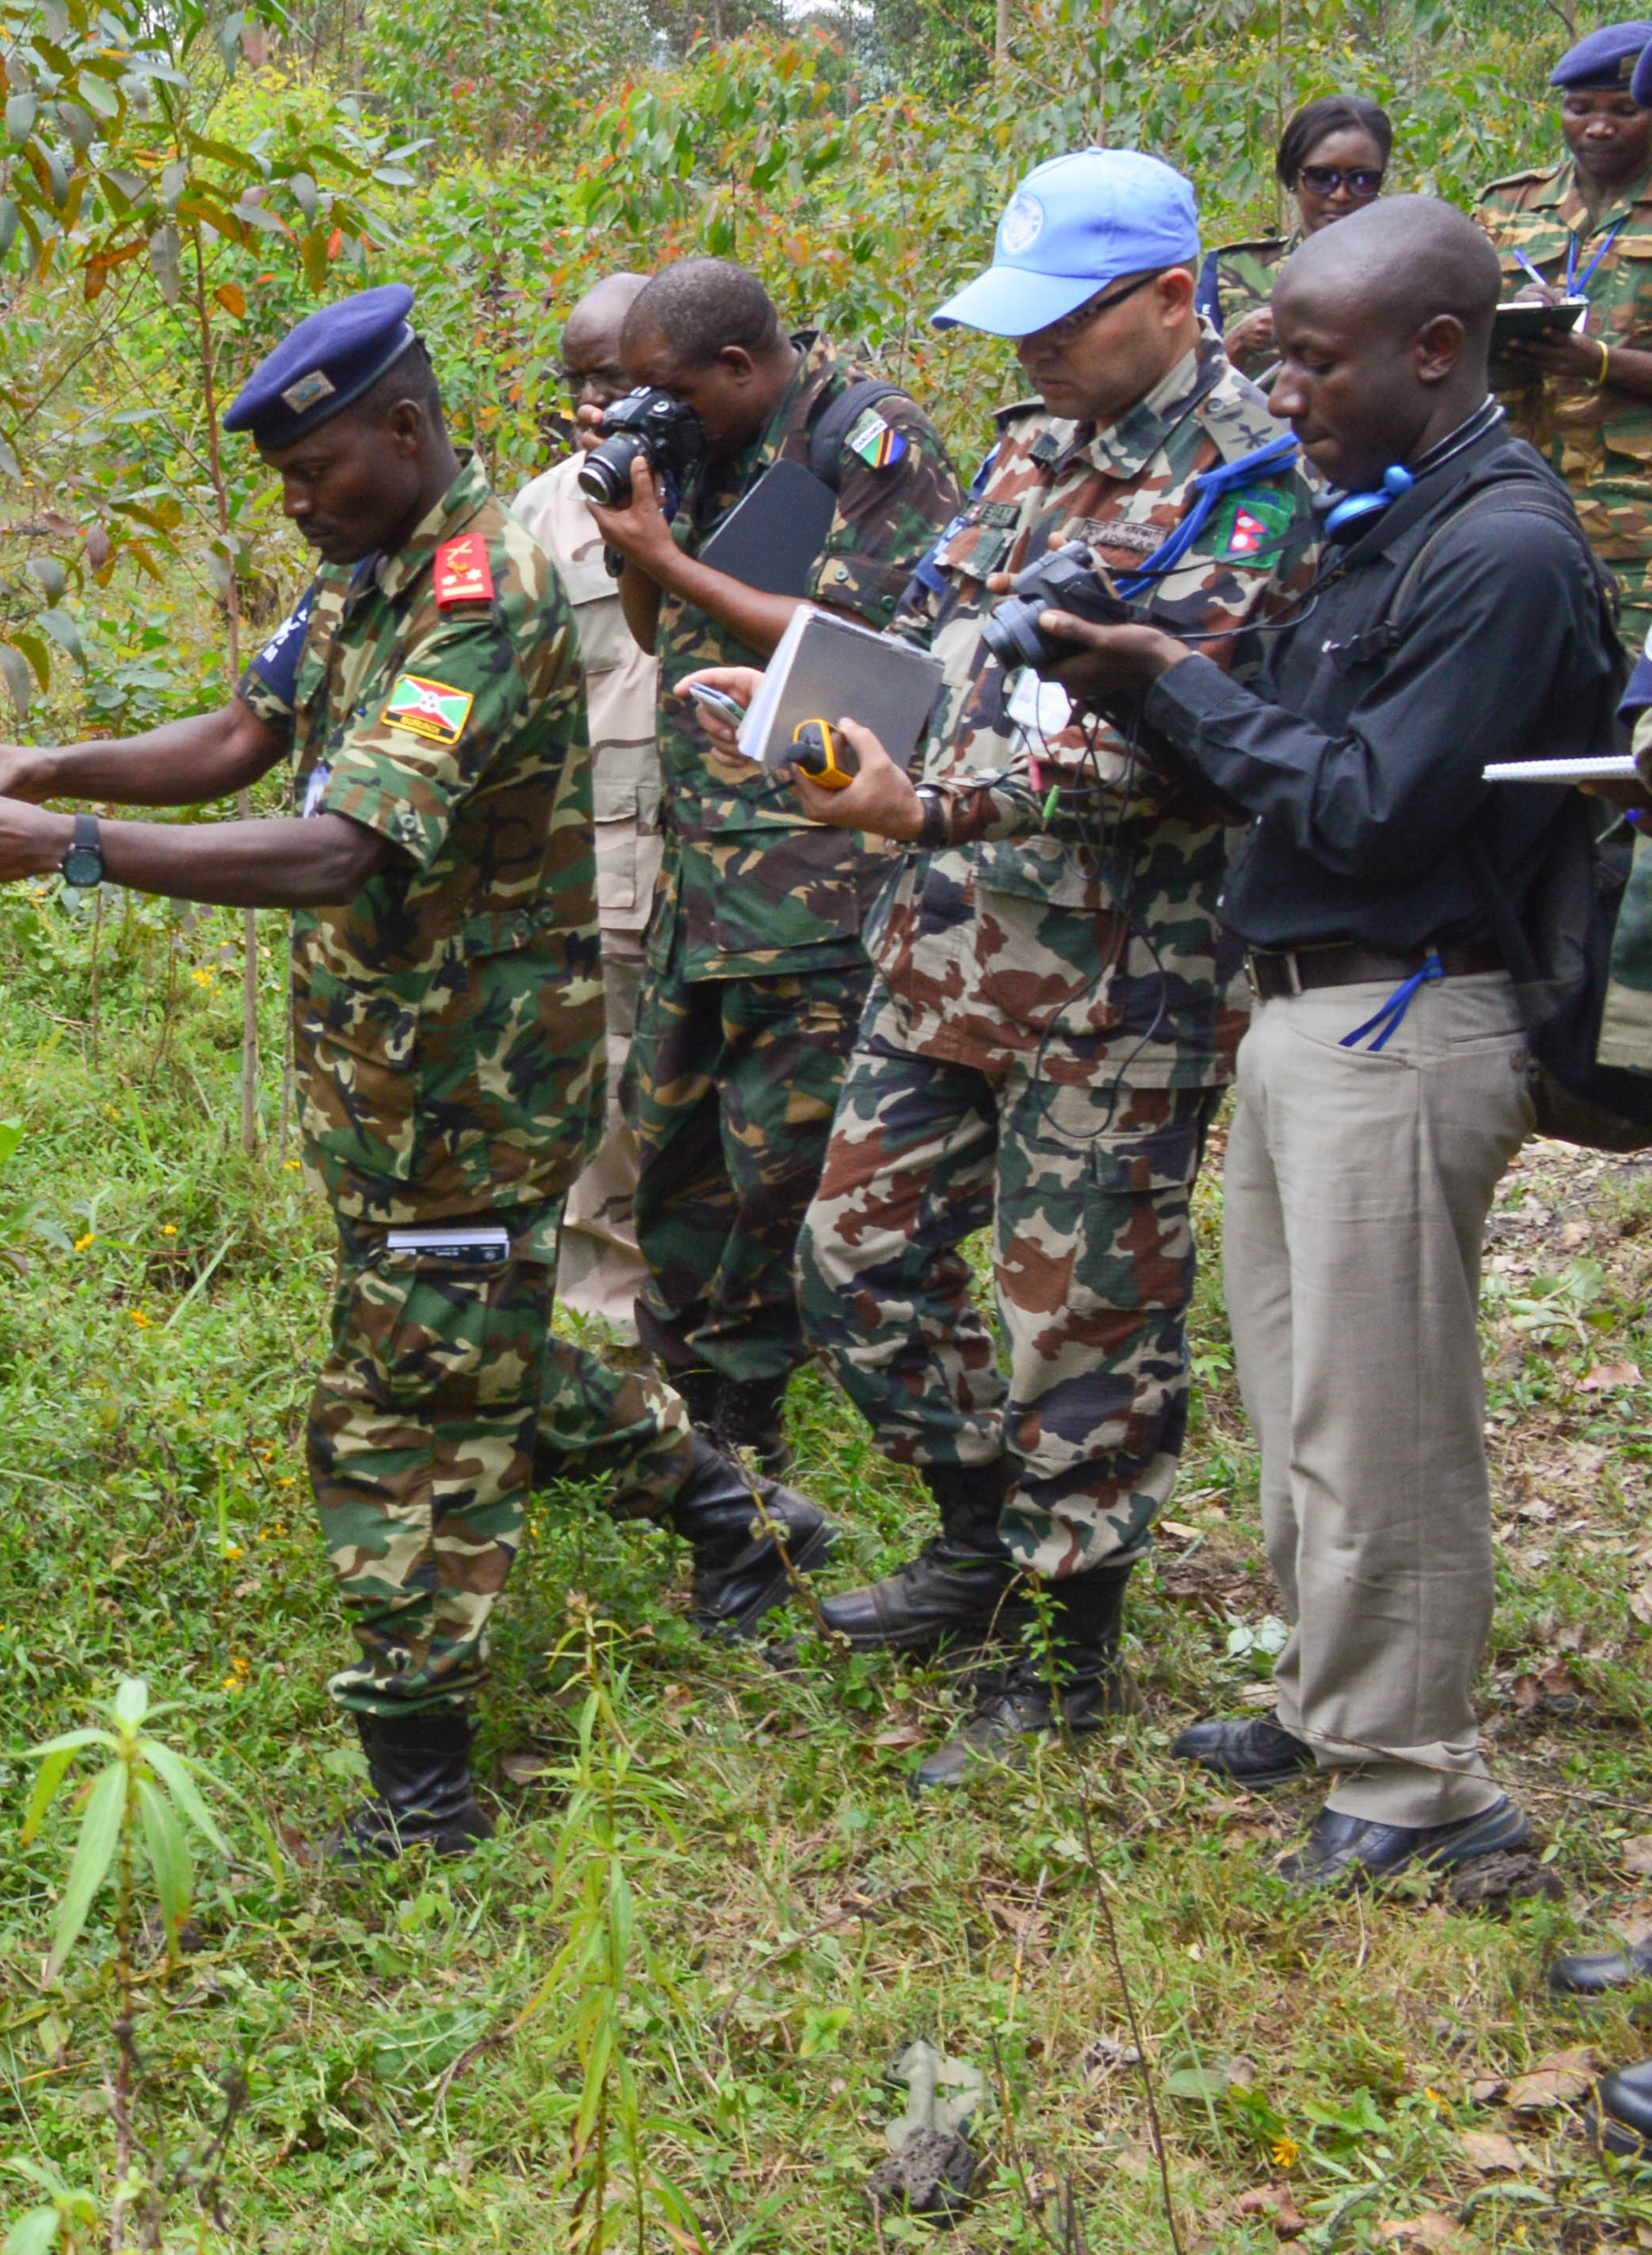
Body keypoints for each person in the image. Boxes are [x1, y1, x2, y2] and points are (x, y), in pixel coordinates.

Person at [0, 285, 831, 1861]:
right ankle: (735, 1514)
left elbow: (339, 849)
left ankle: (422, 1789)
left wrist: (65, 851)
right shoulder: (369, 572)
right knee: (472, 1326)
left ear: (403, 432)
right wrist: (46, 764)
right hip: (387, 1072)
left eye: (313, 467)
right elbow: (242, 737)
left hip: (477, 1077)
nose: (293, 499)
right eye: (278, 477)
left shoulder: (473, 598)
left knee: (395, 1409)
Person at [707, 151, 1323, 1792]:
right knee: (852, 1265)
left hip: (1112, 985)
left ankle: (1065, 1644)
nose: (1027, 352)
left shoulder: (1252, 485)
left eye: (1061, 321)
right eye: (1013, 323)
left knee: (1081, 1329)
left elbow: (1176, 746)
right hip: (938, 947)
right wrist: (799, 711)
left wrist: (933, 797)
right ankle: (978, 1532)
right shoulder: (1024, 448)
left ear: (1169, 303)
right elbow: (942, 657)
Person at [1027, 196, 1624, 1891]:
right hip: (1301, 1010)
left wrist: (1174, 680)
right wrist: (1133, 667)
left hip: (1407, 1009)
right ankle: (1323, 1698)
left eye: (1307, 358)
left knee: (1381, 1419)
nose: (1275, 389)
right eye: (1271, 352)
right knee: (1294, 1390)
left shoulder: (1501, 549)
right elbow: (1283, 730)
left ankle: (1423, 1791)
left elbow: (1366, 806)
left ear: (1432, 351)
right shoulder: (1384, 520)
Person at [586, 259, 964, 1474]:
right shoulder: (700, 445)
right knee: (675, 1154)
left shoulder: (869, 435)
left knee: (777, 1166)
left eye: (670, 391)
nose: (655, 408)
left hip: (815, 874)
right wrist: (641, 531)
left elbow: (868, 643)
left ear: (740, 370)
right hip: (702, 870)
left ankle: (750, 1427)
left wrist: (666, 547)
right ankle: (690, 1408)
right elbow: (661, 634)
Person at [519, 272, 662, 1323]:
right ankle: (606, 1320)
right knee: (602, 1091)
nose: (589, 406)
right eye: (574, 382)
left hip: (749, 854)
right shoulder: (544, 505)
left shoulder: (758, 479)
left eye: (609, 379)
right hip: (607, 847)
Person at [1477, 22, 1652, 654]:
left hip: (1633, 522)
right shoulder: (1507, 208)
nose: (1597, 127)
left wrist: (1598, 361)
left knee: (1627, 710)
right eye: (1579, 109)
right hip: (1515, 498)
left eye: (1623, 111)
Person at [1202, 95, 1393, 380]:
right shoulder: (1234, 269)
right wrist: (1238, 342)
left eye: (1362, 180)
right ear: (1293, 178)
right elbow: (1183, 390)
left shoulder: (1406, 271)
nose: (1341, 194)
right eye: (1321, 177)